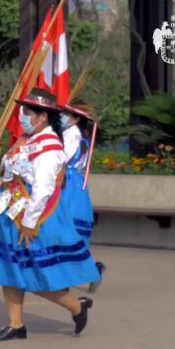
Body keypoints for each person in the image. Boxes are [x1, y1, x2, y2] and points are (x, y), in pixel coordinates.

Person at [0, 88, 102, 341]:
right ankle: (16, 324)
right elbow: (10, 174)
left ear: (42, 117)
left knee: (35, 270)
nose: (22, 116)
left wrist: (29, 222)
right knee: (9, 267)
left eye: (27, 112)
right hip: (10, 208)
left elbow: (43, 189)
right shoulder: (27, 141)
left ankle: (76, 306)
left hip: (33, 215)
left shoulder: (49, 148)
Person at [59, 99, 106, 292]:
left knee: (66, 230)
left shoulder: (73, 135)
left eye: (65, 114)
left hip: (68, 183)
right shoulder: (70, 133)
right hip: (72, 183)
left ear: (75, 118)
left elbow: (64, 159)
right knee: (65, 231)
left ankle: (88, 271)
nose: (61, 117)